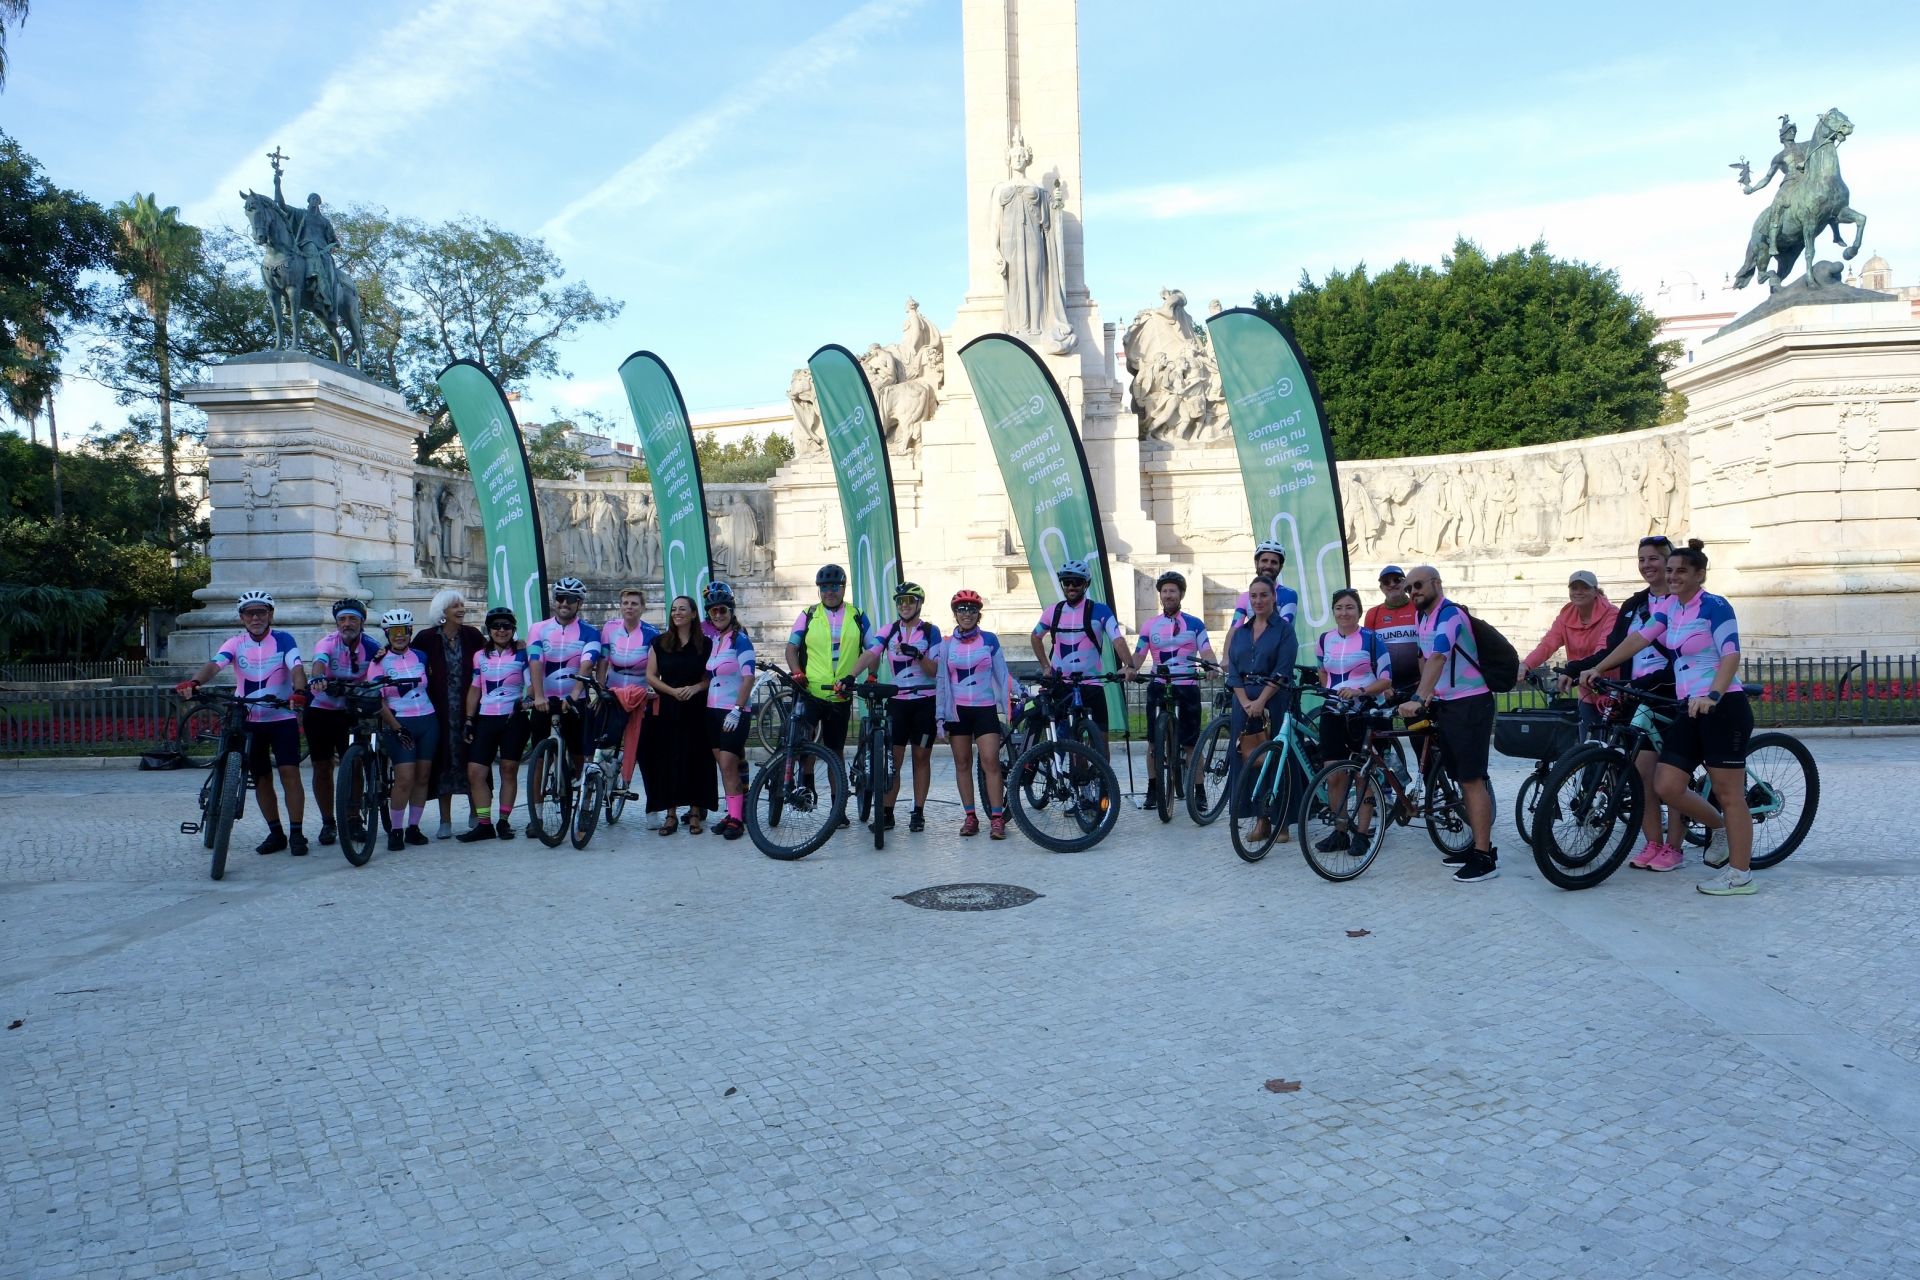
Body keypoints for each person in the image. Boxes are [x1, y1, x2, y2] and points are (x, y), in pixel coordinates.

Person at [1581, 539, 1757, 895]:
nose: (1673, 576)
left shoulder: (1715, 607)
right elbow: (1638, 640)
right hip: (1687, 708)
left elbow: (1731, 655)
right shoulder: (1671, 609)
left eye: (1681, 571)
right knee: (1666, 786)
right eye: (1671, 570)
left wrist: (1713, 694)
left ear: (1699, 574)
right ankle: (1719, 828)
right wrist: (1597, 667)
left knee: (1729, 793)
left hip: (1721, 707)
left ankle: (1740, 874)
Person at [1566, 535, 1683, 870]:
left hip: (1670, 694)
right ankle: (1652, 843)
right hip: (1637, 695)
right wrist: (1579, 669)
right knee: (1642, 775)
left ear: (1669, 562)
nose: (1647, 565)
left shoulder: (1682, 604)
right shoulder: (1633, 605)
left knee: (1671, 777)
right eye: (1642, 559)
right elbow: (1615, 648)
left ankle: (1674, 847)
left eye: (1654, 559)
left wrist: (1639, 683)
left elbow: (1681, 656)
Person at [175, 590, 310, 856]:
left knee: (289, 774)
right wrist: (195, 682)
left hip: (280, 717)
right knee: (261, 778)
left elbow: (296, 667)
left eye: (261, 612)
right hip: (248, 719)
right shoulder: (235, 643)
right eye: (250, 613)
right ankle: (276, 833)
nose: (256, 617)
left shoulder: (283, 639)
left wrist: (300, 691)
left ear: (270, 615)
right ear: (242, 618)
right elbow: (215, 664)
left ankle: (297, 833)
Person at [1397, 565, 1498, 883]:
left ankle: (1485, 856)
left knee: (1471, 779)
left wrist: (1419, 695)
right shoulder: (1421, 616)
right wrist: (1424, 696)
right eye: (1409, 588)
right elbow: (1424, 657)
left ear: (1437, 584)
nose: (1413, 591)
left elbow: (1439, 656)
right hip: (1445, 703)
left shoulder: (1450, 615)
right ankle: (1472, 847)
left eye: (1419, 585)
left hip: (1470, 703)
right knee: (1455, 773)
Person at [785, 564, 875, 828]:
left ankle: (838, 809)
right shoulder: (808, 614)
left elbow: (872, 649)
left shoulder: (857, 616)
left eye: (834, 587)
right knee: (805, 740)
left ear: (842, 588)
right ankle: (808, 785)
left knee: (835, 751)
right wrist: (797, 671)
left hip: (841, 694)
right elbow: (791, 648)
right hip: (811, 690)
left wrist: (871, 675)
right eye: (824, 588)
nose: (829, 592)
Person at [851, 582, 941, 833]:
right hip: (898, 702)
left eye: (910, 601)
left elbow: (935, 672)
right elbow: (871, 653)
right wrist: (850, 676)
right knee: (893, 761)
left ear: (919, 604)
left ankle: (918, 812)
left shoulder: (930, 631)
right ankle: (887, 813)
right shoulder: (889, 630)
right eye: (901, 601)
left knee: (921, 758)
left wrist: (918, 655)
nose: (905, 605)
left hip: (925, 701)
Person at [1311, 588, 1396, 853]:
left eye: (1349, 607)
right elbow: (1322, 671)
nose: (1344, 612)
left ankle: (1362, 834)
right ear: (1333, 611)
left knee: (1363, 776)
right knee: (1334, 774)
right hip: (1334, 712)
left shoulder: (1372, 640)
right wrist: (1333, 692)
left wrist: (1360, 691)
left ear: (1358, 611)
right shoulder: (1325, 640)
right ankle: (1340, 831)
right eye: (1339, 607)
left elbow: (1386, 679)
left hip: (1365, 712)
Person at [1132, 570, 1215, 812]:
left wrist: (1210, 665)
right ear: (1160, 595)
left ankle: (1199, 792)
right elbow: (1139, 654)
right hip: (1160, 684)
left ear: (1181, 594)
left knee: (1191, 744)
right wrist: (1129, 669)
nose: (1168, 595)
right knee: (1152, 744)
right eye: (1164, 591)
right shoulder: (1150, 625)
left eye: (1172, 591)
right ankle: (1152, 788)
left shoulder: (1195, 624)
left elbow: (1207, 651)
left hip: (1187, 685)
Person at [526, 577, 602, 839]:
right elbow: (535, 661)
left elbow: (587, 662)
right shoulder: (538, 628)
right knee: (538, 762)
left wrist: (576, 694)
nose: (564, 603)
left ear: (579, 603)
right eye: (560, 598)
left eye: (570, 599)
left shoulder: (590, 632)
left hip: (573, 699)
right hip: (544, 700)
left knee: (580, 756)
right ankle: (535, 814)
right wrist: (538, 695)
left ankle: (583, 807)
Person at [1028, 560, 1133, 749]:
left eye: (1076, 582)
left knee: (1101, 742)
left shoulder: (1100, 610)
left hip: (1092, 684)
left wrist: (1129, 665)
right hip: (1063, 684)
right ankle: (1075, 776)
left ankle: (1103, 778)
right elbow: (1035, 637)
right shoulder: (1053, 611)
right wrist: (1045, 666)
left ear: (1085, 584)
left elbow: (1117, 639)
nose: (1071, 586)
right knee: (1071, 743)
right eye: (1066, 582)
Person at [935, 589, 1011, 839]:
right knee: (963, 763)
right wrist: (939, 717)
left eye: (971, 609)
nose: (966, 614)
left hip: (984, 708)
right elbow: (941, 682)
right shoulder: (946, 645)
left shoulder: (990, 639)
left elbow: (1002, 674)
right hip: (958, 712)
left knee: (990, 761)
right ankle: (970, 816)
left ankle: (997, 818)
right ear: (955, 614)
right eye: (961, 609)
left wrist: (1017, 695)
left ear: (979, 614)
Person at [1225, 576, 1295, 845]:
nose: (1258, 601)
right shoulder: (1241, 632)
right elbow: (1233, 672)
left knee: (1278, 760)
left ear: (1273, 598)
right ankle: (1260, 820)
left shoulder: (1284, 630)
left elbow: (1284, 668)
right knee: (1249, 759)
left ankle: (1282, 821)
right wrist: (1245, 703)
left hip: (1274, 700)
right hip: (1243, 702)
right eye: (1253, 596)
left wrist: (1262, 701)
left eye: (1263, 595)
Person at [305, 598, 378, 848]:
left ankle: (354, 818)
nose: (347, 624)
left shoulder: (372, 645)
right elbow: (319, 662)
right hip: (321, 709)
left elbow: (378, 672)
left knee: (355, 765)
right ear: (337, 623)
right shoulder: (327, 642)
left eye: (352, 619)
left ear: (362, 622)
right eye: (342, 619)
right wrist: (317, 678)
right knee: (322, 767)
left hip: (351, 710)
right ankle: (328, 821)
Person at [644, 595, 718, 835]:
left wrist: (695, 688)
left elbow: (710, 676)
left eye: (682, 609)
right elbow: (651, 676)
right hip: (668, 707)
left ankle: (695, 812)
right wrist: (672, 691)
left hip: (697, 707)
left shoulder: (705, 644)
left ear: (694, 614)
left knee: (697, 758)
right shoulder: (659, 642)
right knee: (669, 759)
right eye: (674, 609)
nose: (677, 613)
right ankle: (671, 814)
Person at [414, 588, 483, 839]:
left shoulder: (473, 636)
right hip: (439, 709)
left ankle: (477, 812)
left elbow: (489, 659)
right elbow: (408, 659)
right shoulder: (426, 638)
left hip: (468, 708)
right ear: (442, 611)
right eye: (455, 606)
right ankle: (445, 820)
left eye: (462, 605)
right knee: (444, 762)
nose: (461, 609)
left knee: (472, 760)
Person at [369, 608, 438, 852]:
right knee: (404, 779)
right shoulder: (378, 662)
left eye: (404, 631)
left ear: (410, 632)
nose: (400, 636)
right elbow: (378, 701)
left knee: (422, 777)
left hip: (428, 721)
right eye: (394, 632)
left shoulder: (421, 656)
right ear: (387, 634)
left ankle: (413, 828)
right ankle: (395, 830)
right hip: (399, 722)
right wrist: (397, 728)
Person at [457, 607, 529, 842]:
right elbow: (476, 687)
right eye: (496, 626)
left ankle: (504, 821)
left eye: (506, 626)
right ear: (489, 630)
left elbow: (532, 684)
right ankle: (484, 824)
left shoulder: (523, 653)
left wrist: (526, 701)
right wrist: (469, 719)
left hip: (513, 717)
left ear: (513, 630)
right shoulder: (480, 656)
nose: (501, 630)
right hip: (486, 717)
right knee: (475, 772)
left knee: (508, 770)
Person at [1520, 571, 1619, 738]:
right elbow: (1548, 644)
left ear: (1596, 591)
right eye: (1574, 587)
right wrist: (1526, 664)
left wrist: (1573, 670)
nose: (1578, 592)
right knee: (1587, 746)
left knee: (1614, 744)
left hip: (1611, 689)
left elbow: (1604, 649)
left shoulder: (1611, 614)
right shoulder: (1565, 617)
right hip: (1585, 689)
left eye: (1585, 588)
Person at [597, 587, 661, 809]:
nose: (629, 607)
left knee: (645, 753)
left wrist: (653, 690)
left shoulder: (651, 634)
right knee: (603, 744)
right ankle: (594, 792)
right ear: (620, 606)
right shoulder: (610, 628)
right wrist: (599, 686)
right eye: (625, 603)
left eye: (634, 604)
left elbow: (655, 669)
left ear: (642, 608)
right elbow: (603, 660)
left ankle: (652, 807)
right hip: (613, 692)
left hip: (639, 694)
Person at [703, 582, 756, 839]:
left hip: (733, 711)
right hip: (712, 711)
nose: (718, 614)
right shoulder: (714, 640)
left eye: (722, 610)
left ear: (731, 611)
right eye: (713, 611)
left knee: (728, 764)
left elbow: (748, 678)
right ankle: (732, 811)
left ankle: (738, 819)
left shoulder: (740, 640)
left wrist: (737, 708)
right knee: (723, 767)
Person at [1362, 566, 1421, 694]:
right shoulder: (1373, 613)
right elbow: (1368, 652)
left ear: (1405, 583)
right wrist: (1380, 684)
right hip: (1386, 686)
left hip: (1418, 683)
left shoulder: (1419, 607)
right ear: (1381, 588)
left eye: (1397, 580)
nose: (1392, 584)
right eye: (1386, 582)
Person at [1228, 540, 1299, 639]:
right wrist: (1226, 654)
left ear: (1280, 567)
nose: (1268, 566)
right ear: (1256, 563)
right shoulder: (1244, 597)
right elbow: (1233, 630)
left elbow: (1282, 629)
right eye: (1264, 561)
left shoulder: (1289, 594)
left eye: (1274, 562)